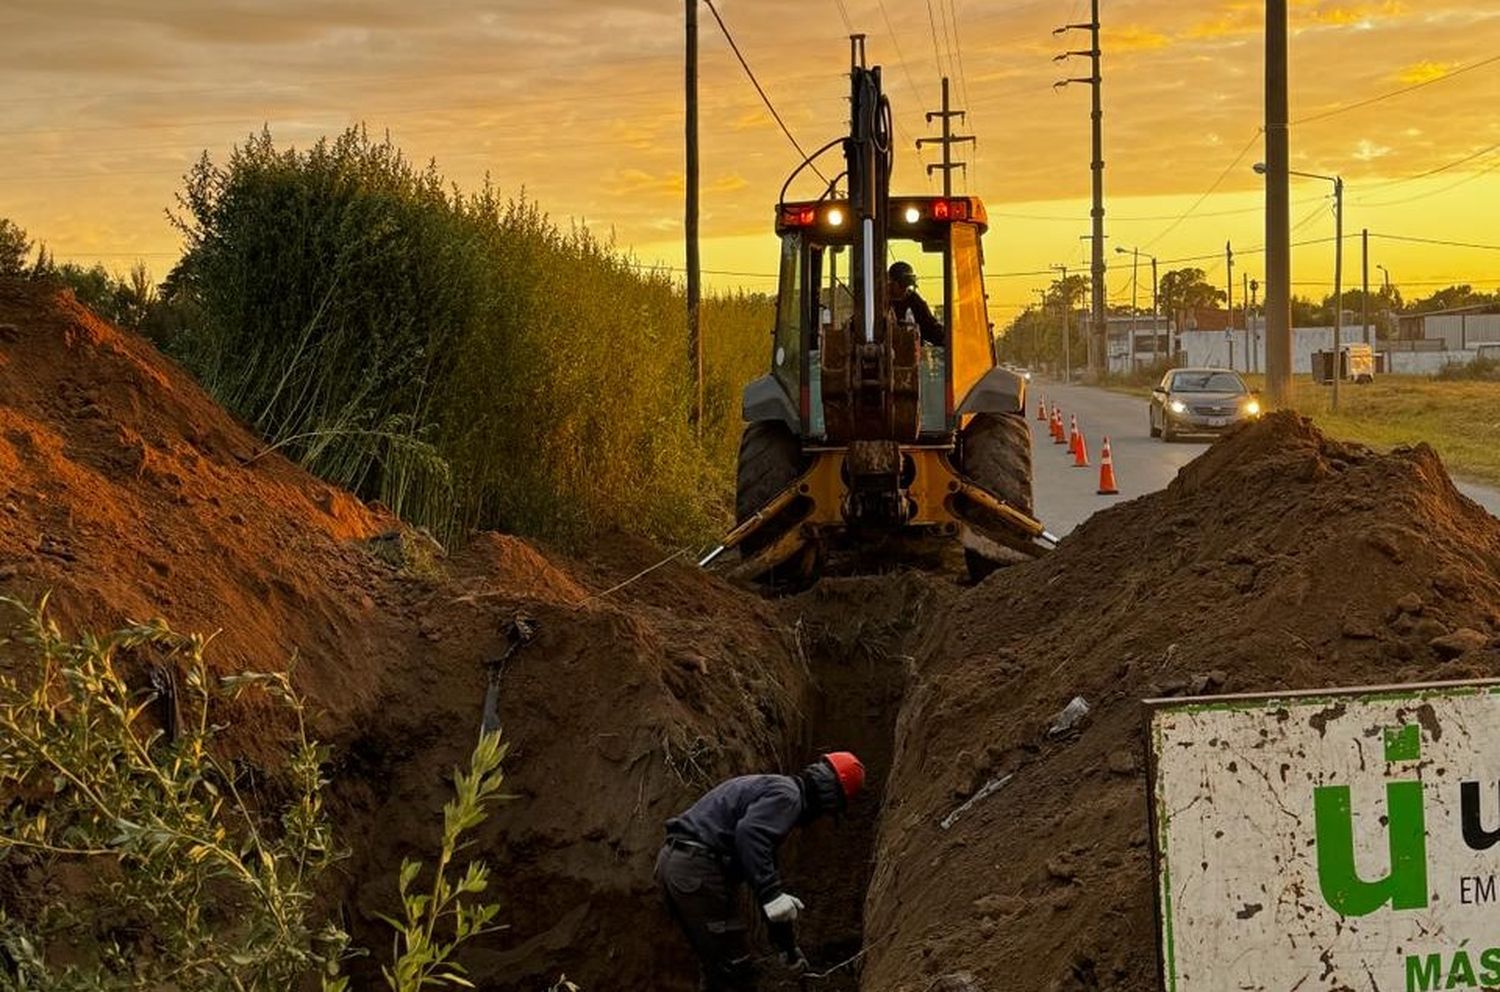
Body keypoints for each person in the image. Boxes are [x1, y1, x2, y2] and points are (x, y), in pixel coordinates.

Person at [655, 752, 867, 990]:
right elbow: (750, 834)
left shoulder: (776, 793)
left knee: (717, 966)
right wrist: (771, 894)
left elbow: (764, 868)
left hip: (676, 863)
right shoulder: (788, 797)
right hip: (696, 868)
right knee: (735, 968)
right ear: (830, 797)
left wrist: (787, 947)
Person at [888, 260, 945, 346]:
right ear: (891, 282)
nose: (905, 290)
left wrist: (947, 338)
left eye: (908, 286)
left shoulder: (914, 301)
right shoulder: (880, 302)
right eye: (902, 285)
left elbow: (929, 327)